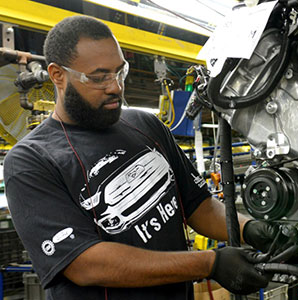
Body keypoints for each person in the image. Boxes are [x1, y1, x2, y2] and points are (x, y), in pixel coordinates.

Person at [3, 15, 276, 300]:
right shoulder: (30, 160)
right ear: (58, 75)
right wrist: (210, 263)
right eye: (99, 78)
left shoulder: (146, 125)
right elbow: (85, 264)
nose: (116, 87)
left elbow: (199, 206)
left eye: (120, 72)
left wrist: (251, 229)